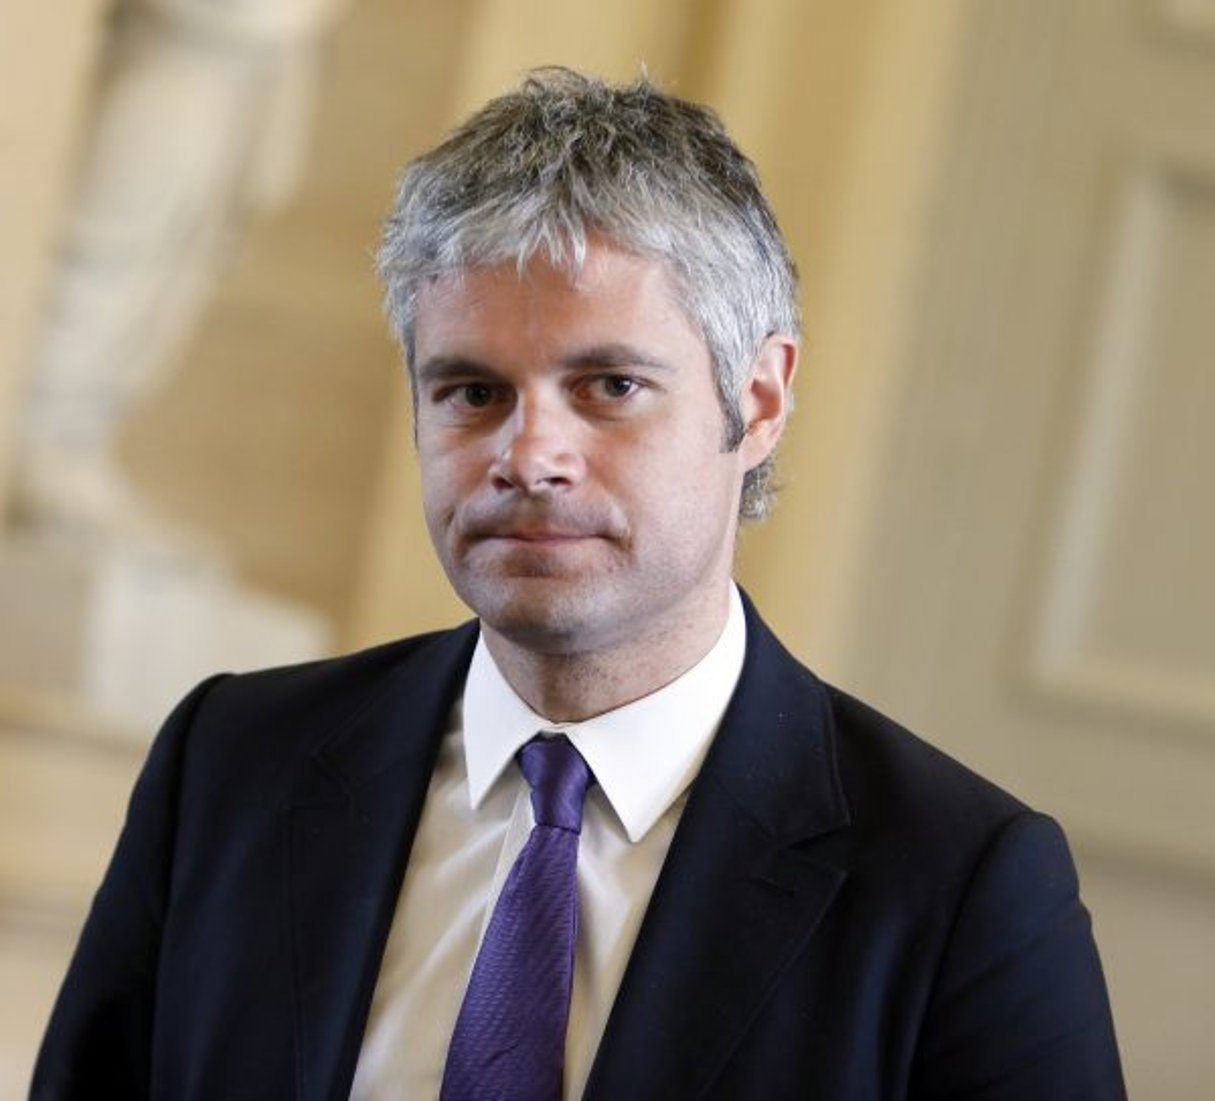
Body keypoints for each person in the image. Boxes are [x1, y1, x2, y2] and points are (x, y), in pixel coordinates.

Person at [32, 68, 1125, 1099]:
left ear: (760, 399)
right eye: (469, 391)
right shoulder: (229, 767)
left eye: (608, 385)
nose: (528, 454)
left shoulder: (959, 889)